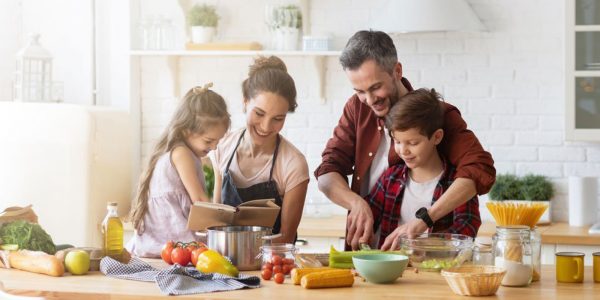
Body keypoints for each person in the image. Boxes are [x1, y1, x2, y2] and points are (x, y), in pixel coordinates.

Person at [314, 30, 495, 250]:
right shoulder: (357, 108)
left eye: (375, 87)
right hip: (370, 252)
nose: (369, 100)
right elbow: (327, 172)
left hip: (426, 258)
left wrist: (425, 220)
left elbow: (479, 168)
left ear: (397, 71)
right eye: (360, 91)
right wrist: (355, 203)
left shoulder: (436, 115)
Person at [368, 88, 481, 250]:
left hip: (437, 271)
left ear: (437, 137)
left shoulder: (457, 183)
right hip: (391, 272)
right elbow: (369, 218)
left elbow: (467, 230)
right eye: (397, 141)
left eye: (413, 143)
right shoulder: (390, 178)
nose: (403, 150)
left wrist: (421, 244)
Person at [212, 56, 309, 244]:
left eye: (278, 118)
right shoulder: (222, 147)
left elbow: (286, 237)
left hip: (271, 265)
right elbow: (216, 220)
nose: (266, 126)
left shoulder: (293, 164)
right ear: (245, 102)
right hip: (223, 263)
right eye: (259, 113)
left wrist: (245, 253)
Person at [126, 83, 231, 257]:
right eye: (208, 141)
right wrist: (226, 227)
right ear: (185, 130)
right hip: (170, 245)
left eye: (217, 142)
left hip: (163, 245)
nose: (213, 147)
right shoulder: (182, 154)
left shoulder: (180, 151)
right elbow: (199, 201)